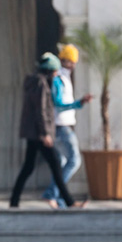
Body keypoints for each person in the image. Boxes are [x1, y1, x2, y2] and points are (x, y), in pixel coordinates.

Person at [10, 53, 83, 209]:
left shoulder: (34, 82)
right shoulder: (41, 85)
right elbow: (41, 111)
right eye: (55, 71)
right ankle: (68, 201)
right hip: (39, 134)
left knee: (29, 167)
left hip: (33, 132)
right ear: (50, 70)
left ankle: (14, 201)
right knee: (56, 165)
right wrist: (45, 134)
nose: (57, 74)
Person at [41, 43, 94, 208]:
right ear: (65, 61)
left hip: (64, 125)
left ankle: (58, 199)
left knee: (62, 162)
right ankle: (51, 194)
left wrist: (78, 104)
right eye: (71, 61)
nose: (74, 65)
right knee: (74, 160)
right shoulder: (58, 79)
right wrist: (78, 103)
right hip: (61, 126)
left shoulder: (65, 78)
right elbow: (58, 104)